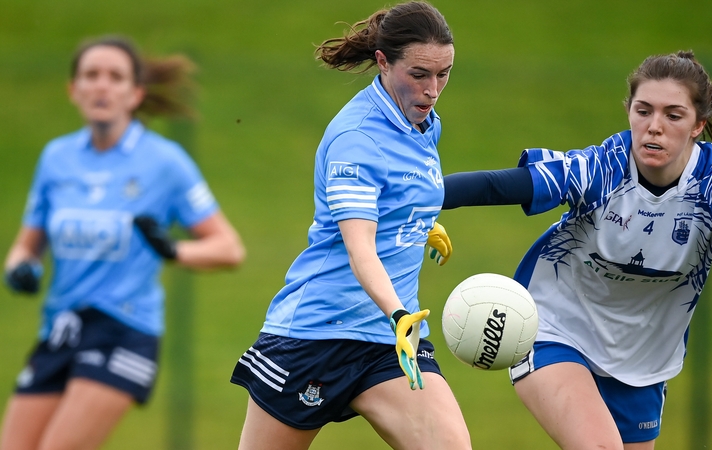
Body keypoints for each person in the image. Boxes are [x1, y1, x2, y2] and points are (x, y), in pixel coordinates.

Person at [439, 50, 712, 449]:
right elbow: (502, 185)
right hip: (555, 328)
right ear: (628, 110)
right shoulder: (603, 169)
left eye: (672, 115)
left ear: (699, 124)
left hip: (643, 363)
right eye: (643, 111)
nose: (654, 128)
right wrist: (424, 195)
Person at [229, 2, 470, 449]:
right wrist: (398, 313)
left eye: (444, 74)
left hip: (388, 343)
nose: (433, 89)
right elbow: (361, 250)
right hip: (318, 336)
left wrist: (419, 224)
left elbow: (400, 190)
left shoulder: (421, 121)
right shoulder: (356, 139)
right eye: (419, 74)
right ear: (383, 62)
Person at [1, 36, 245, 450]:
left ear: (135, 94)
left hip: (124, 330)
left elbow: (229, 249)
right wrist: (20, 270)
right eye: (90, 76)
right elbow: (25, 248)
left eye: (115, 77)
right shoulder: (56, 158)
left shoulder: (164, 162)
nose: (101, 86)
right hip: (60, 329)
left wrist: (173, 250)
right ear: (73, 89)